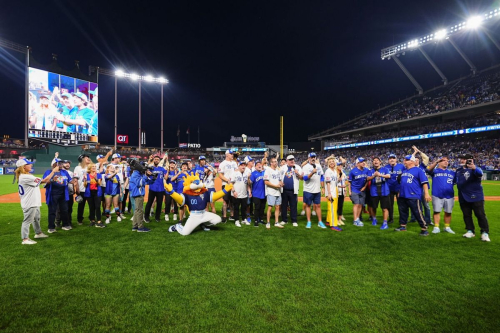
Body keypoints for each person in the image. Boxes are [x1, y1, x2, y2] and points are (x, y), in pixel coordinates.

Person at [455, 154, 490, 242]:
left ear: (470, 160)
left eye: (464, 159)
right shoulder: (458, 170)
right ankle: (470, 230)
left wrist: (473, 167)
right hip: (463, 196)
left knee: (480, 215)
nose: (462, 160)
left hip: (476, 196)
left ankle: (485, 232)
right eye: (461, 159)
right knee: (467, 215)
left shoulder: (475, 169)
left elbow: (480, 173)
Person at [394, 155, 431, 236]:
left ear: (412, 161)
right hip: (403, 195)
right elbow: (402, 183)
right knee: (403, 212)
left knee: (418, 212)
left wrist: (426, 194)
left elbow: (424, 182)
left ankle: (424, 229)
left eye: (406, 160)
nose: (404, 161)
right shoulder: (405, 171)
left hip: (413, 195)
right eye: (404, 159)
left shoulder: (419, 170)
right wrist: (400, 191)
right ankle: (402, 226)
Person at [15, 159, 49, 245]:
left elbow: (40, 183)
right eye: (29, 164)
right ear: (23, 166)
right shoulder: (25, 176)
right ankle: (25, 239)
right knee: (27, 221)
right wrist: (54, 172)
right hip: (29, 202)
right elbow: (44, 181)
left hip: (33, 201)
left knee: (36, 218)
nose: (31, 165)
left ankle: (38, 233)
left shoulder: (25, 175)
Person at [427, 156, 456, 234]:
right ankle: (436, 227)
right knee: (436, 211)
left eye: (447, 161)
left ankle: (447, 227)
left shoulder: (452, 172)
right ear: (439, 162)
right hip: (437, 194)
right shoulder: (435, 171)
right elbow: (428, 170)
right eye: (443, 161)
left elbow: (455, 182)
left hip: (449, 195)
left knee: (448, 212)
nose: (446, 162)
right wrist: (436, 162)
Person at [43, 159, 72, 233]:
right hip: (53, 193)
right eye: (59, 163)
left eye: (61, 163)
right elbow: (45, 183)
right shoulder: (48, 172)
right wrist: (52, 180)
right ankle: (51, 227)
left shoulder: (64, 172)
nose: (61, 164)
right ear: (54, 164)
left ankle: (65, 225)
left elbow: (70, 180)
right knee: (52, 211)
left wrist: (75, 180)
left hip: (63, 193)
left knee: (64, 210)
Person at [301, 152, 326, 229]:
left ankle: (320, 221)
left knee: (318, 205)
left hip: (317, 190)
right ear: (308, 159)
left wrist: (323, 187)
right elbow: (304, 178)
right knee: (308, 205)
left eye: (314, 157)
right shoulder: (305, 167)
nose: (313, 158)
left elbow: (322, 176)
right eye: (311, 157)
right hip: (308, 190)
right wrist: (312, 172)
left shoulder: (318, 166)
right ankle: (309, 222)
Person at [366, 157, 391, 230]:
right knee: (373, 207)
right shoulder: (370, 171)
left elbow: (389, 176)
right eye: (374, 160)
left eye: (377, 160)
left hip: (384, 191)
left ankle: (385, 222)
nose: (375, 161)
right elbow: (367, 178)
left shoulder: (385, 169)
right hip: (374, 191)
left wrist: (380, 175)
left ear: (380, 162)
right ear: (372, 163)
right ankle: (374, 219)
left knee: (384, 208)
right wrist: (374, 175)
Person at [129, 161, 154, 232]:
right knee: (139, 211)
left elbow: (147, 182)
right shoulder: (136, 174)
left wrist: (153, 178)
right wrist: (146, 176)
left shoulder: (139, 173)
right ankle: (140, 227)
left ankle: (134, 226)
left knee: (137, 210)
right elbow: (140, 183)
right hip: (138, 194)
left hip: (137, 193)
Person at [279, 155, 302, 227]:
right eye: (290, 159)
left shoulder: (297, 167)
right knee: (284, 206)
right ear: (287, 161)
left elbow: (301, 178)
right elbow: (279, 177)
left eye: (293, 159)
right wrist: (280, 182)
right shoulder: (283, 167)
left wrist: (297, 173)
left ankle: (294, 220)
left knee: (293, 206)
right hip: (284, 190)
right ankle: (284, 220)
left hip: (293, 190)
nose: (292, 161)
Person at [144, 155, 167, 223]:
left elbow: (166, 177)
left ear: (159, 161)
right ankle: (146, 217)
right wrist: (149, 160)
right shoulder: (151, 168)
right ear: (153, 160)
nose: (156, 160)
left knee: (159, 204)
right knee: (149, 203)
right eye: (155, 159)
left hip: (160, 189)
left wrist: (168, 171)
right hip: (152, 188)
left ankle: (157, 217)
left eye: (157, 159)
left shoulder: (162, 169)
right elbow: (145, 170)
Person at [263, 157, 285, 229]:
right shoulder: (268, 170)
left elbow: (280, 180)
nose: (276, 163)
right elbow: (266, 182)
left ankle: (276, 222)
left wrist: (281, 184)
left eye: (276, 161)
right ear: (271, 163)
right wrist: (275, 186)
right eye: (274, 162)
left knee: (277, 207)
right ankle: (268, 222)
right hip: (271, 192)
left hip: (278, 192)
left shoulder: (278, 171)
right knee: (270, 207)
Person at [83, 163, 106, 228]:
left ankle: (99, 221)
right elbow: (85, 185)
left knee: (97, 206)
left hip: (97, 192)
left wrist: (96, 179)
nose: (94, 167)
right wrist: (85, 179)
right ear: (90, 168)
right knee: (91, 207)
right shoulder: (87, 175)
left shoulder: (98, 175)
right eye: (93, 166)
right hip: (89, 192)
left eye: (95, 166)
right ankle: (92, 220)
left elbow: (99, 183)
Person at [348, 157, 369, 227]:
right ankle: (355, 220)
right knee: (356, 204)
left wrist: (365, 187)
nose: (363, 163)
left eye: (364, 161)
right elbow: (349, 182)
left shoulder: (366, 170)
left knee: (360, 205)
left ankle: (357, 219)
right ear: (357, 163)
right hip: (354, 190)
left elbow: (367, 180)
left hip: (362, 190)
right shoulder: (353, 171)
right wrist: (350, 191)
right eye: (361, 162)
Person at [229, 161, 251, 227]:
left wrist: (249, 191)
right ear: (238, 166)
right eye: (241, 165)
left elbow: (248, 184)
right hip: (236, 194)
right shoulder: (234, 174)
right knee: (236, 208)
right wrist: (234, 191)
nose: (243, 166)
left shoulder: (246, 174)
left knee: (244, 208)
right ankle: (237, 220)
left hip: (244, 194)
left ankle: (244, 219)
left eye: (244, 165)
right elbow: (230, 184)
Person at [218, 150, 237, 222]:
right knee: (225, 201)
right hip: (225, 185)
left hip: (233, 185)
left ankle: (232, 215)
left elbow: (236, 172)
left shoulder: (234, 163)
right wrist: (227, 180)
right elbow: (220, 174)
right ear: (227, 155)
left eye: (232, 154)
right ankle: (224, 216)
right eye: (231, 154)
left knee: (232, 201)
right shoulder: (223, 163)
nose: (232, 155)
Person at [324, 157, 342, 232]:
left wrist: (339, 179)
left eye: (333, 161)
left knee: (332, 208)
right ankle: (333, 225)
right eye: (330, 162)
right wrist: (329, 193)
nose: (332, 163)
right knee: (333, 209)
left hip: (334, 191)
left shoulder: (334, 171)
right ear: (328, 164)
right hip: (331, 192)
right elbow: (328, 183)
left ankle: (328, 221)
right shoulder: (328, 171)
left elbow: (334, 182)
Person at [386, 154, 405, 224]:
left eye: (393, 158)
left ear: (396, 159)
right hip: (389, 188)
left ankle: (402, 218)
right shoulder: (386, 167)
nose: (392, 160)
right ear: (388, 160)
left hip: (399, 188)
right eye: (390, 158)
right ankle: (391, 218)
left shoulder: (401, 166)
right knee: (390, 204)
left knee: (400, 204)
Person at [74, 153, 91, 225]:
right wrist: (77, 189)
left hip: (90, 189)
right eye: (86, 157)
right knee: (81, 205)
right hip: (81, 189)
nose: (88, 158)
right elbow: (75, 180)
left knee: (92, 205)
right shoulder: (77, 168)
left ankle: (92, 218)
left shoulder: (91, 167)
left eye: (88, 157)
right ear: (82, 159)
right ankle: (79, 219)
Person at [249, 160, 266, 227]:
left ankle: (261, 219)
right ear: (255, 167)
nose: (259, 165)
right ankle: (256, 220)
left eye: (260, 164)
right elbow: (250, 183)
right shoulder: (253, 173)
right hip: (256, 194)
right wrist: (248, 177)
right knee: (257, 208)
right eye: (257, 165)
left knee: (262, 208)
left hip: (264, 194)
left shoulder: (264, 172)